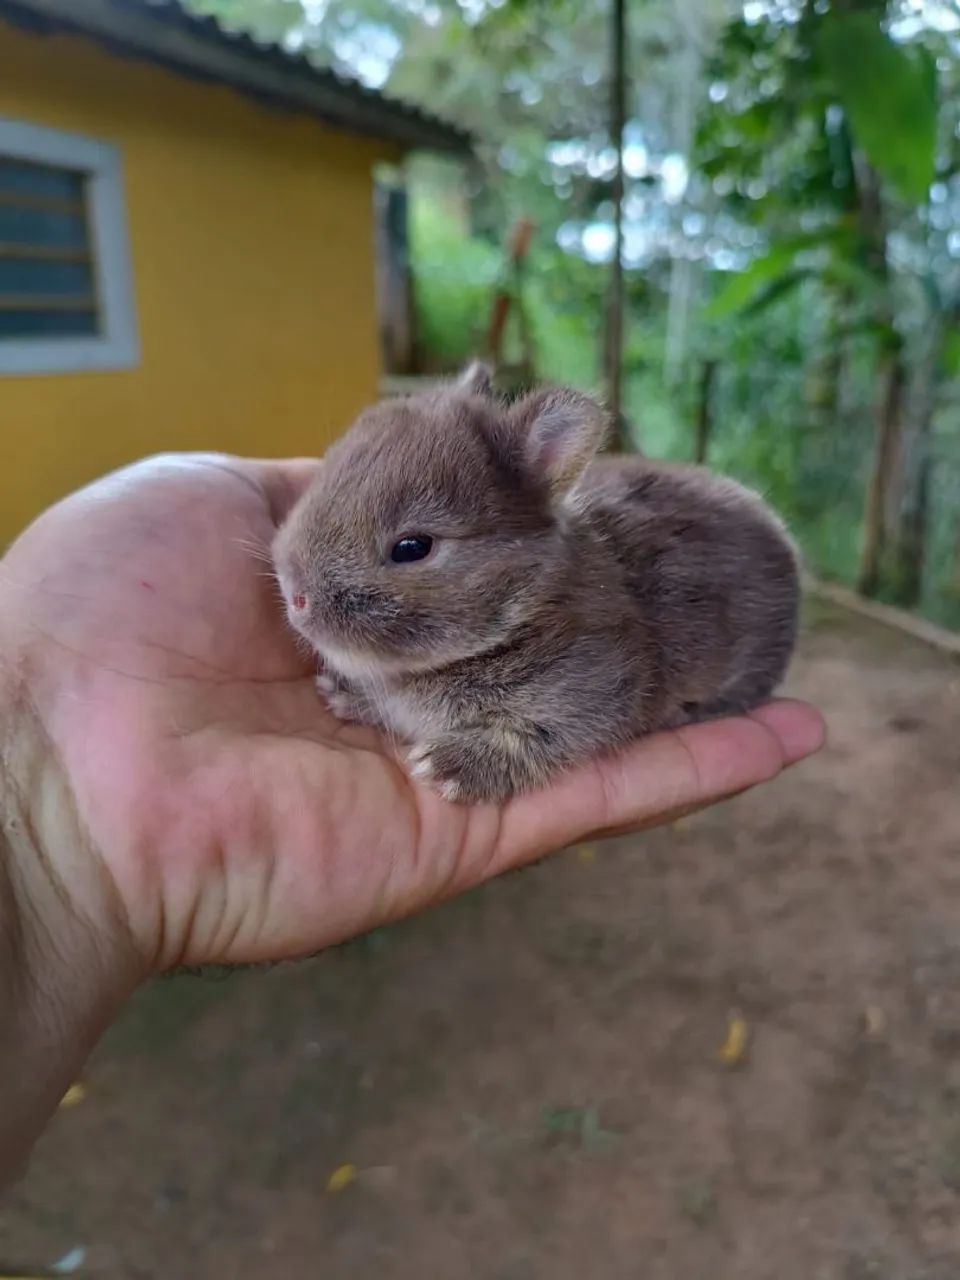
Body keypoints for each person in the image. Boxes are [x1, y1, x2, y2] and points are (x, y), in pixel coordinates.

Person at [0, 454, 824, 1182]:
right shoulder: (384, 607)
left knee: (693, 692)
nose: (295, 589)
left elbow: (593, 701)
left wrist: (499, 753)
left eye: (409, 551)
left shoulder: (576, 627)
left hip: (734, 618)